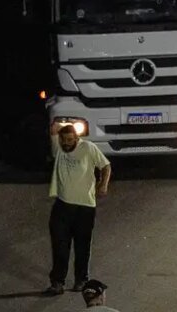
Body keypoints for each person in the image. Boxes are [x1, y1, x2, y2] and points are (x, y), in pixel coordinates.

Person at [45, 124, 111, 296]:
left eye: (70, 140)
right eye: (63, 140)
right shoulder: (59, 148)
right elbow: (53, 127)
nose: (66, 143)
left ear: (77, 138)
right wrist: (62, 128)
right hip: (62, 205)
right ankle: (57, 282)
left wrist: (103, 184)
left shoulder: (88, 148)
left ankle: (81, 279)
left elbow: (106, 166)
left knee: (82, 246)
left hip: (84, 207)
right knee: (60, 246)